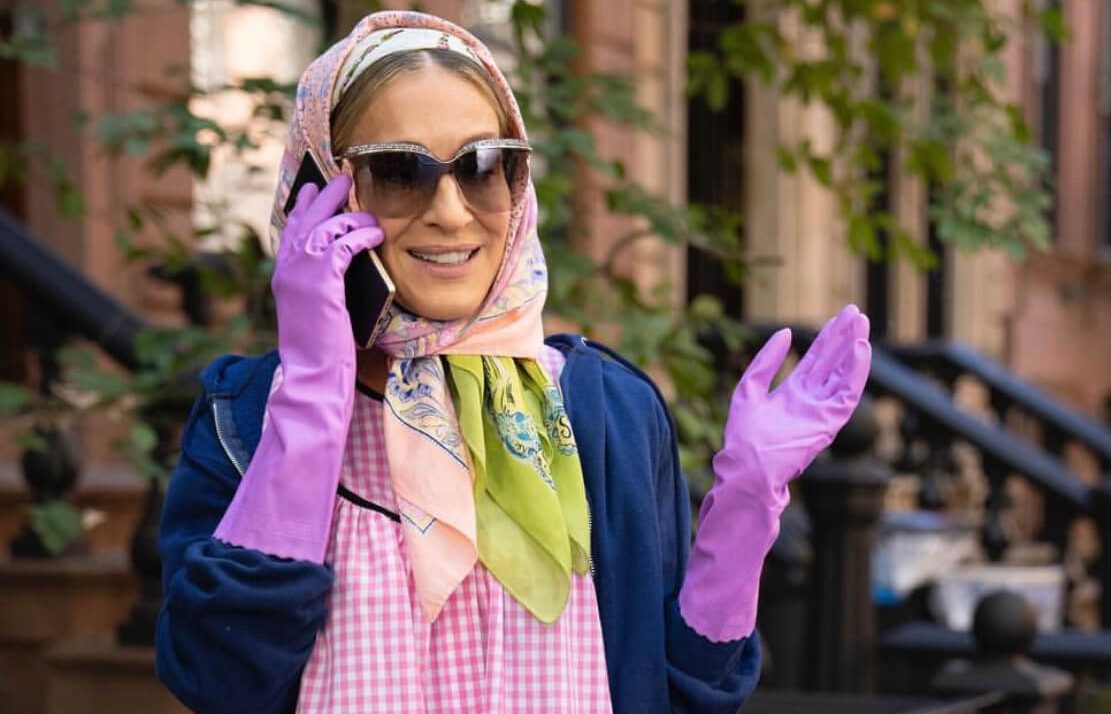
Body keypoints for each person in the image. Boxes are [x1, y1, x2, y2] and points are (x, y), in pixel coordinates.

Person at [154, 10, 871, 714]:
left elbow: (682, 692)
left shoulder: (604, 411)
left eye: (484, 166)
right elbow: (220, 682)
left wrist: (745, 506)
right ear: (320, 189)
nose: (451, 211)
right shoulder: (246, 416)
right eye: (399, 171)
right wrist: (312, 394)